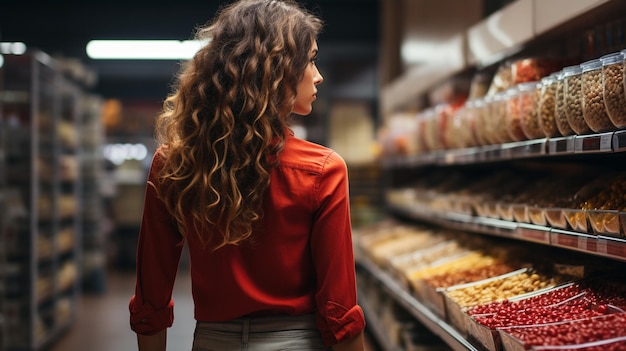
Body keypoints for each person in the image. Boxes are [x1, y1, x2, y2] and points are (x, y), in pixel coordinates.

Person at [128, 0, 366, 350]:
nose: (318, 75)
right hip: (298, 341)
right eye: (311, 60)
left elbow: (151, 296)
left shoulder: (176, 164)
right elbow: (339, 310)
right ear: (279, 68)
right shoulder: (323, 170)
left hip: (211, 341)